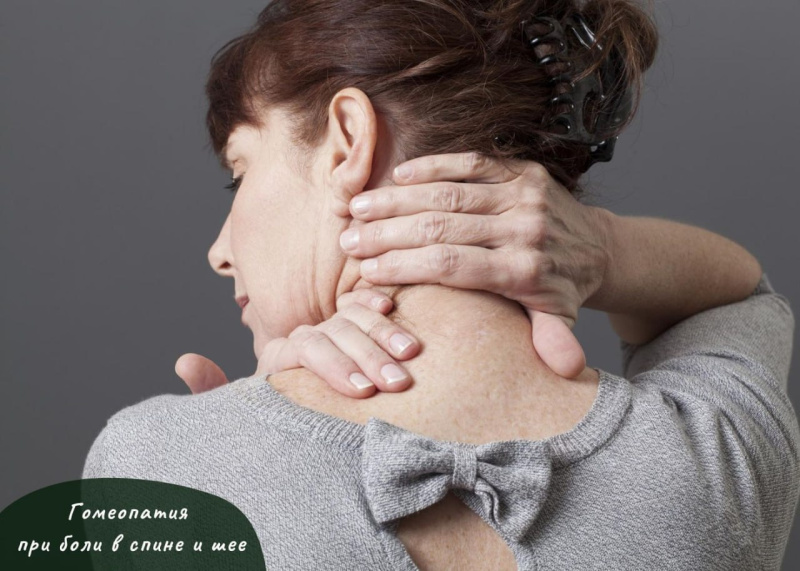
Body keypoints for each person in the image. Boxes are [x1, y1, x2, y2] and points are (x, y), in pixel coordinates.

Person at [83, 0, 800, 569]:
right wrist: (602, 247)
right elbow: (741, 295)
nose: (219, 252)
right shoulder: (717, 463)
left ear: (347, 141)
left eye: (239, 174)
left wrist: (221, 457)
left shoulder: (155, 468)